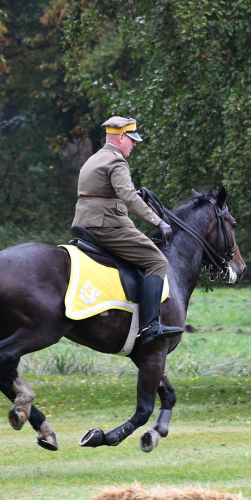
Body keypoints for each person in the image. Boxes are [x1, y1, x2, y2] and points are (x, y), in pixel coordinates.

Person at [72, 116, 182, 345]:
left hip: (85, 223)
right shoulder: (116, 161)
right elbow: (128, 197)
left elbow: (104, 193)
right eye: (132, 140)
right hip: (108, 226)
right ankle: (150, 326)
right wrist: (158, 222)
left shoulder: (94, 159)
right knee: (157, 261)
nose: (134, 145)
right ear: (121, 137)